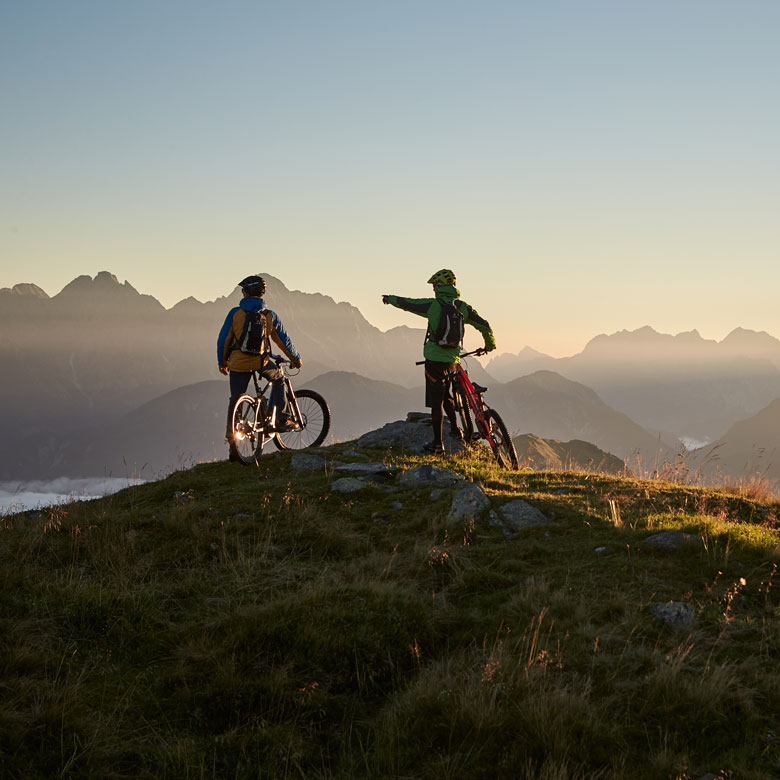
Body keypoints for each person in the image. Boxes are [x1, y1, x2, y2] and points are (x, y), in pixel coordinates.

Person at [382, 269, 496, 454]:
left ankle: (437, 444)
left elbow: (408, 304)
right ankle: (455, 430)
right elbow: (485, 325)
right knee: (447, 395)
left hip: (434, 359)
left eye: (434, 286)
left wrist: (390, 298)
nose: (433, 289)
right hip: (453, 359)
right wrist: (490, 345)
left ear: (439, 287)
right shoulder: (462, 307)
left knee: (437, 401)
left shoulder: (432, 305)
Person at [217, 275, 302, 458]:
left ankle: (233, 443)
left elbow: (223, 340)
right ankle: (281, 417)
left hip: (238, 363)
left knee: (236, 399)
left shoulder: (235, 313)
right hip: (260, 362)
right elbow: (283, 341)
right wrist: (296, 359)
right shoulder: (269, 315)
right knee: (279, 378)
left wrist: (222, 362)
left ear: (246, 293)